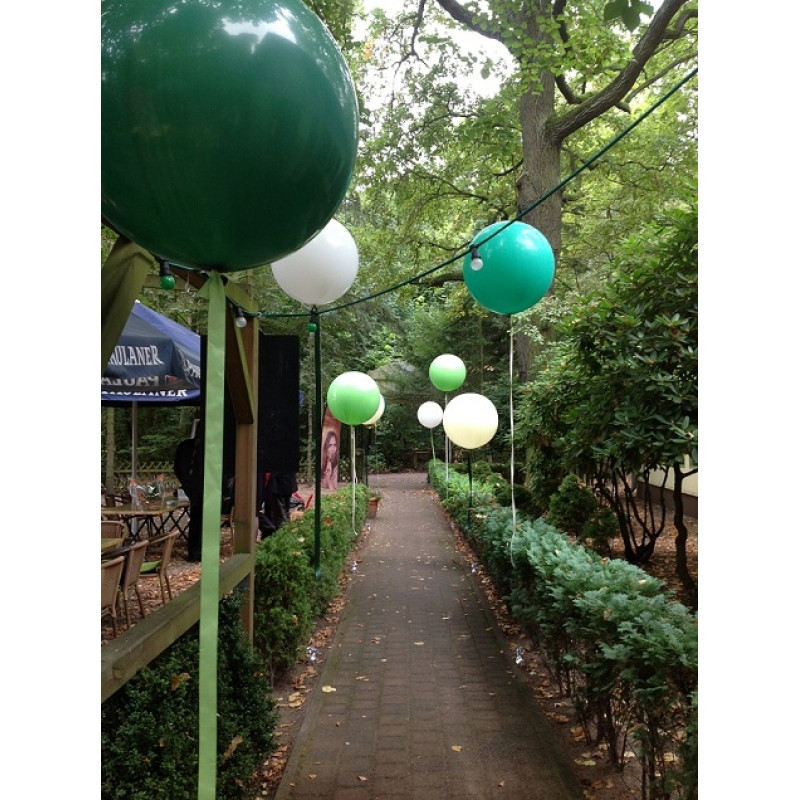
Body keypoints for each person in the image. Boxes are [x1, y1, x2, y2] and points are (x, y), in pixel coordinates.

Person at [173, 430, 203, 562]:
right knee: (198, 520)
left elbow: (177, 468)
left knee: (196, 520)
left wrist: (186, 483)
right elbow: (178, 468)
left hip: (193, 488)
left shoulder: (184, 446)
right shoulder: (207, 447)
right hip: (200, 488)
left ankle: (195, 552)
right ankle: (196, 552)